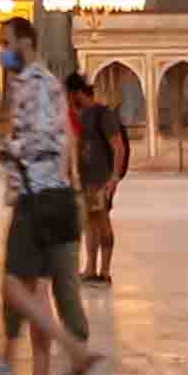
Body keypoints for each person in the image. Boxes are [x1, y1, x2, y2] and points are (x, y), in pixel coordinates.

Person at [0, 16, 99, 375]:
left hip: (37, 197)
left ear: (25, 43)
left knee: (13, 286)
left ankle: (74, 350)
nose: (3, 51)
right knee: (37, 292)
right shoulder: (38, 82)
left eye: (6, 43)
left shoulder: (35, 83)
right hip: (48, 192)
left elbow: (45, 139)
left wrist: (8, 149)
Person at [72, 76, 128, 283]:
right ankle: (90, 268)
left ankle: (104, 271)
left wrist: (114, 177)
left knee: (102, 221)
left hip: (100, 179)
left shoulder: (102, 114)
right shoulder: (82, 115)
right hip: (87, 179)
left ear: (77, 93)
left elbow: (118, 146)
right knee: (90, 222)